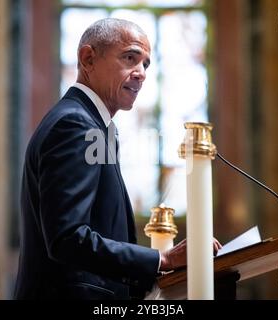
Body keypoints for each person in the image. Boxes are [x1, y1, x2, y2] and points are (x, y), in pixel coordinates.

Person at [14, 18, 221, 300]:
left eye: (146, 64)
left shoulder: (89, 124)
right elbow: (67, 238)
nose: (141, 73)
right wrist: (161, 260)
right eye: (130, 58)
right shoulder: (75, 125)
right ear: (88, 59)